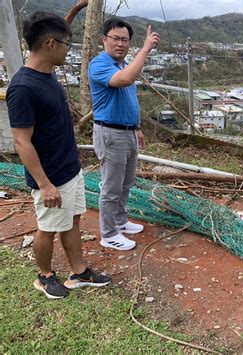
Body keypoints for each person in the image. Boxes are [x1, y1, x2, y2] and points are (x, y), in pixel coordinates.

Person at [6, 12, 111, 299]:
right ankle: (44, 276)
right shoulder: (23, 88)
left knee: (73, 221)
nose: (69, 49)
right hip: (50, 176)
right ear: (51, 44)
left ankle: (79, 272)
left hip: (69, 169)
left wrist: (75, 10)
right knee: (48, 228)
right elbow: (21, 140)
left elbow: (50, 33)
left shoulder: (46, 72)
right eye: (66, 43)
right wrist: (44, 184)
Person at [89, 18, 160, 251]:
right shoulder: (100, 64)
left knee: (126, 182)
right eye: (115, 38)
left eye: (125, 40)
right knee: (111, 186)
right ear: (104, 40)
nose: (120, 44)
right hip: (110, 133)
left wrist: (137, 126)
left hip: (127, 132)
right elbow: (126, 80)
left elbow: (128, 97)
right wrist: (146, 48)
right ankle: (108, 233)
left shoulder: (124, 64)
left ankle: (120, 221)